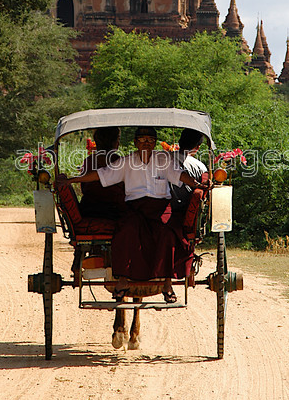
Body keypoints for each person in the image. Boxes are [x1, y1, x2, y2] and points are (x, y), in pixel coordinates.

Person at [63, 126, 210, 303]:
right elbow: (101, 175)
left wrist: (196, 184)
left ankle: (167, 284)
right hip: (134, 209)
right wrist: (72, 180)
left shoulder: (163, 159)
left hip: (161, 208)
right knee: (126, 231)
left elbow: (179, 175)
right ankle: (123, 282)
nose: (146, 143)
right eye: (142, 140)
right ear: (135, 142)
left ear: (155, 142)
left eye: (150, 140)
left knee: (167, 233)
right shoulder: (126, 161)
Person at [79, 126, 125, 221]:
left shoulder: (89, 161)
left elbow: (84, 188)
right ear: (115, 143)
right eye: (118, 139)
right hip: (114, 212)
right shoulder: (118, 161)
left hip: (88, 209)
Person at [170, 128, 208, 214]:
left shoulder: (161, 158)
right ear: (197, 147)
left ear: (179, 142)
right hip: (183, 210)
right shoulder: (200, 167)